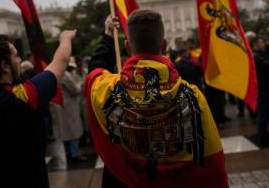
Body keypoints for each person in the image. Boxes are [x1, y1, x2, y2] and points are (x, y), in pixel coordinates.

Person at [85, 10, 228, 188]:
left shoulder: (107, 89)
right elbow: (210, 159)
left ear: (128, 47)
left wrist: (108, 36)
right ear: (164, 46)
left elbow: (95, 69)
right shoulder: (192, 94)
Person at [0, 8, 77, 188]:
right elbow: (62, 60)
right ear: (4, 65)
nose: (19, 60)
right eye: (16, 55)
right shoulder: (24, 95)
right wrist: (65, 38)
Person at [54, 56, 87, 163]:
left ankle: (69, 153)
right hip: (69, 106)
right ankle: (75, 153)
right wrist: (80, 85)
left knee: (66, 131)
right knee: (73, 130)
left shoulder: (60, 73)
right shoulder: (65, 75)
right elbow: (74, 90)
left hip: (64, 105)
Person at [251, 36, 269, 146]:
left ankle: (264, 136)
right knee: (262, 115)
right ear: (256, 44)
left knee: (264, 114)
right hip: (262, 90)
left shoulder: (259, 55)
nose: (263, 44)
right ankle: (262, 138)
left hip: (264, 89)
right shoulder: (255, 57)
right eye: (261, 42)